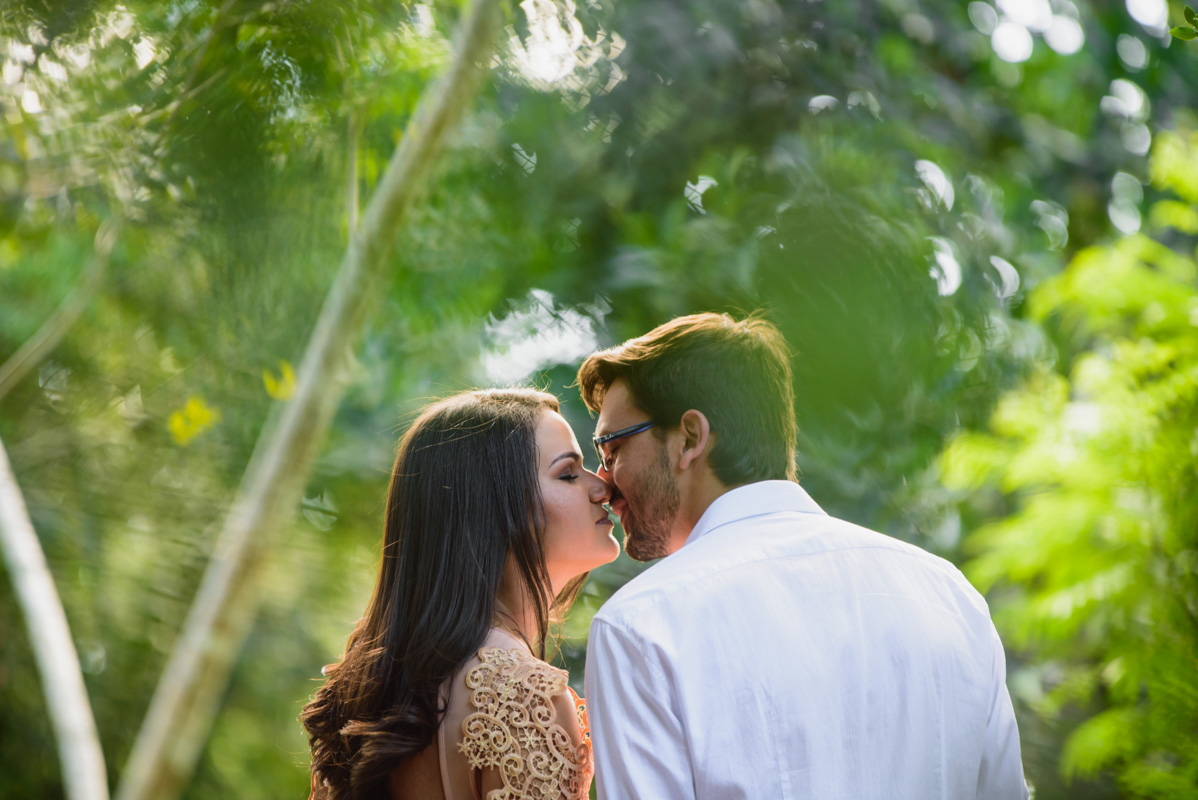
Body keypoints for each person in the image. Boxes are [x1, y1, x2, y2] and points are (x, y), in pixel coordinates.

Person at [577, 312, 1029, 799]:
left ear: (690, 437)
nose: (601, 482)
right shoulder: (949, 595)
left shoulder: (640, 627)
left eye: (612, 448)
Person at [301, 388, 618, 800]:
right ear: (494, 509)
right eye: (569, 474)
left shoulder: (375, 683)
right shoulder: (522, 693)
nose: (603, 488)